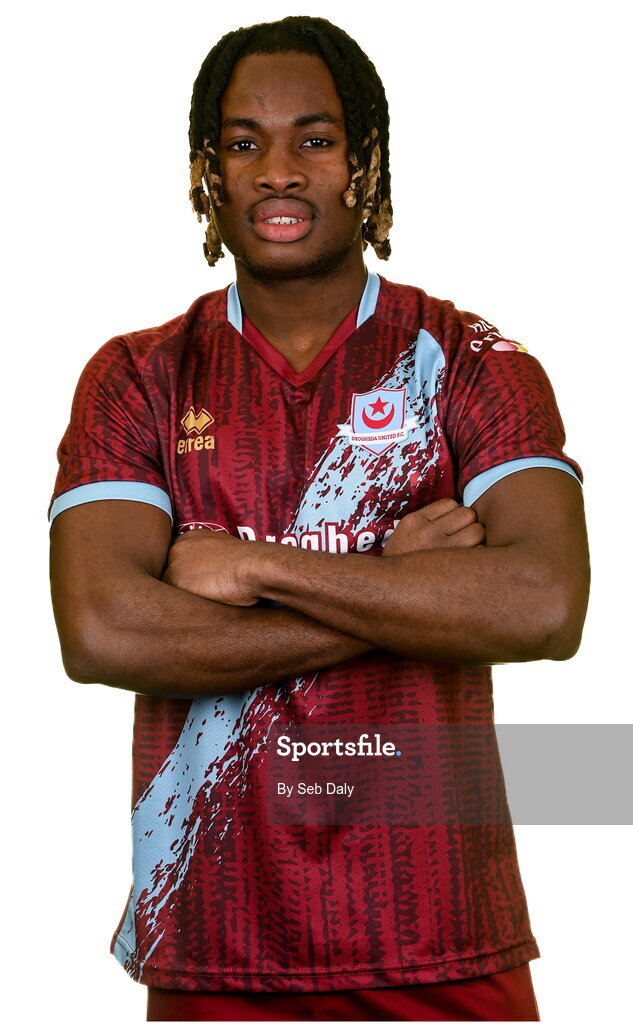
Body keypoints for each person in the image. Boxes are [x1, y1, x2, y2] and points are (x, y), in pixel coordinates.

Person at [49, 15, 590, 1022]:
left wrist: (253, 568)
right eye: (244, 143)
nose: (280, 171)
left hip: (441, 937)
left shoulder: (474, 363)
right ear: (208, 173)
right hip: (217, 946)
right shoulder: (138, 378)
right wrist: (405, 587)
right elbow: (101, 628)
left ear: (366, 161)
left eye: (316, 137)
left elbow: (546, 604)